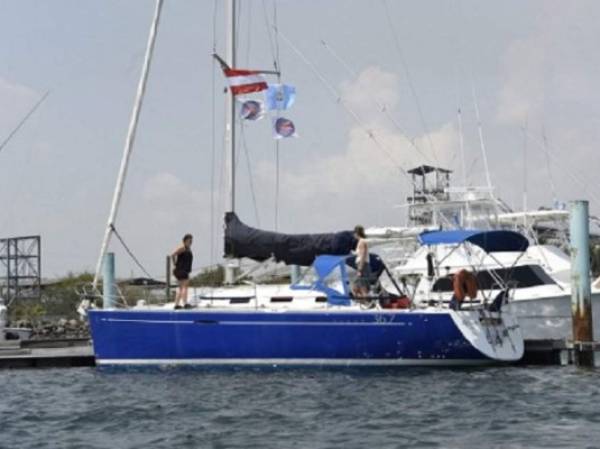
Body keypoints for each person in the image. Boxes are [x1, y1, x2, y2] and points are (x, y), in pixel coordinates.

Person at [171, 234, 193, 309]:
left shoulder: (188, 249)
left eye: (191, 240)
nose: (191, 242)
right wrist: (175, 264)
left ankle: (176, 304)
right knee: (185, 287)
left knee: (181, 288)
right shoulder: (183, 248)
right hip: (181, 270)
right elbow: (173, 255)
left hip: (182, 270)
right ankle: (185, 303)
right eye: (189, 240)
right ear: (185, 240)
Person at [352, 225, 370, 299]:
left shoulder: (362, 241)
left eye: (354, 233)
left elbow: (363, 255)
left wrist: (360, 268)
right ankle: (364, 302)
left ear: (357, 233)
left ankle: (367, 302)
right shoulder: (361, 241)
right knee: (356, 287)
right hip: (362, 265)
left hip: (363, 265)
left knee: (362, 286)